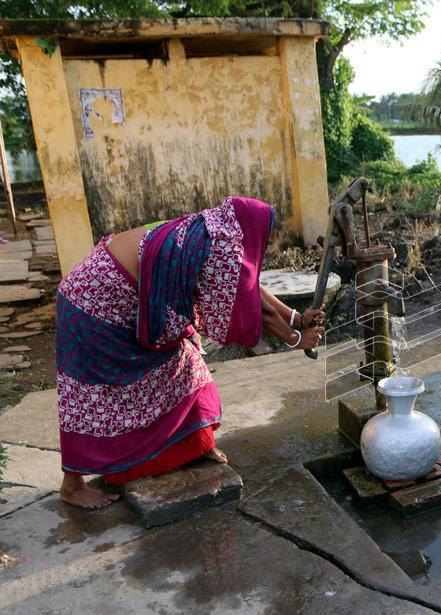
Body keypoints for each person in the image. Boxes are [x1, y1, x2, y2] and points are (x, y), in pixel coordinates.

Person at [56, 197, 325, 509]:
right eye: (270, 232)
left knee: (188, 366)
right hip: (91, 303)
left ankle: (196, 445)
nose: (270, 239)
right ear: (252, 229)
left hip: (123, 297)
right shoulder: (217, 246)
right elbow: (254, 311)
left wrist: (296, 318)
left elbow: (247, 286)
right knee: (92, 393)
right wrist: (296, 339)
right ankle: (71, 486)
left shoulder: (215, 231)